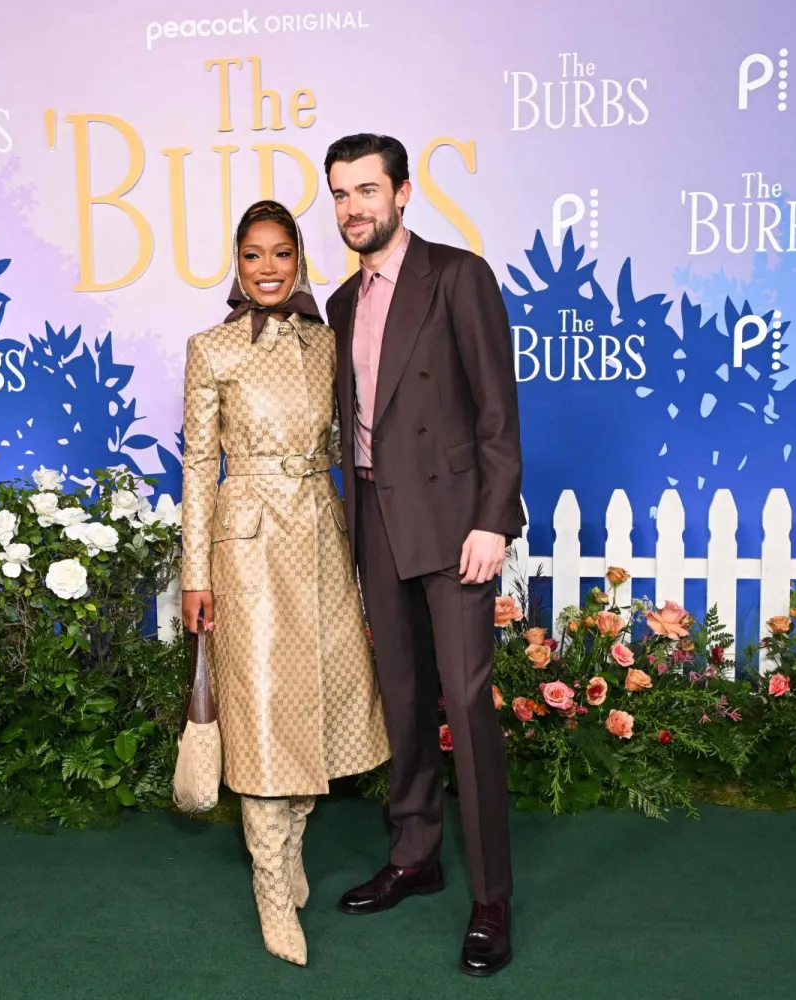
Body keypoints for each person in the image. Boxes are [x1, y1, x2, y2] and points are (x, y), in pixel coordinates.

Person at [323, 134, 524, 977]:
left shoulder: (458, 276)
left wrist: (492, 520)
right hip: (377, 518)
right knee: (402, 696)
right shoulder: (337, 304)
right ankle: (416, 853)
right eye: (339, 194)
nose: (353, 208)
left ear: (403, 193)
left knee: (466, 705)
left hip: (454, 525)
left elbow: (496, 411)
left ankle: (490, 897)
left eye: (367, 189)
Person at [180, 199, 391, 968]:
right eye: (253, 255)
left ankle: (294, 844)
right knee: (266, 707)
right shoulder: (212, 349)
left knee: (321, 701)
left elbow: (350, 444)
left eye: (281, 254)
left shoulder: (327, 342)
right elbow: (201, 463)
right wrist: (195, 572)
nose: (268, 268)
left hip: (320, 533)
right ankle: (272, 889)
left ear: (299, 260)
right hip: (246, 544)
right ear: (236, 265)